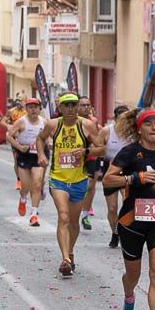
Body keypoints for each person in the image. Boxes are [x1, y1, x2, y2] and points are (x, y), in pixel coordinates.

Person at [103, 109, 155, 310]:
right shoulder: (129, 152)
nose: (154, 128)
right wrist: (135, 178)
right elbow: (108, 180)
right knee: (133, 274)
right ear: (139, 128)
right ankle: (129, 295)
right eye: (149, 124)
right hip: (132, 221)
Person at [36, 92, 104, 276]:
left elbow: (102, 149)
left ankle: (71, 252)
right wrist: (41, 155)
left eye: (74, 105)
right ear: (60, 108)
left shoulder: (87, 125)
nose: (71, 109)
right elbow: (40, 138)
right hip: (58, 179)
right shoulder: (52, 125)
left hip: (79, 180)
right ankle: (65, 259)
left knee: (74, 222)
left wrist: (86, 150)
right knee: (63, 217)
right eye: (66, 106)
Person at [6, 98, 48, 225]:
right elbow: (9, 135)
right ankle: (23, 198)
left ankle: (34, 214)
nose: (33, 109)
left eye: (35, 107)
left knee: (36, 184)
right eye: (30, 107)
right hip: (24, 154)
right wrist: (19, 147)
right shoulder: (21, 122)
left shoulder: (44, 122)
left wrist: (49, 143)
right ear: (26, 109)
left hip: (39, 155)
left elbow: (50, 136)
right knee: (26, 186)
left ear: (39, 109)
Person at [97, 105, 131, 248]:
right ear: (115, 118)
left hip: (128, 171)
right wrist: (104, 157)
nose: (125, 123)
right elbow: (97, 149)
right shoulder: (106, 131)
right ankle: (115, 232)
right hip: (110, 171)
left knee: (127, 203)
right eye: (122, 119)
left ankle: (126, 232)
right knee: (112, 208)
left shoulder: (133, 133)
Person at [76, 96, 104, 230]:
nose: (86, 107)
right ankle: (74, 210)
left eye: (88, 105)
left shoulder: (94, 121)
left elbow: (98, 140)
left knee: (90, 186)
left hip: (91, 156)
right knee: (77, 185)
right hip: (76, 157)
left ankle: (85, 215)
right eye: (82, 105)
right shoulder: (72, 120)